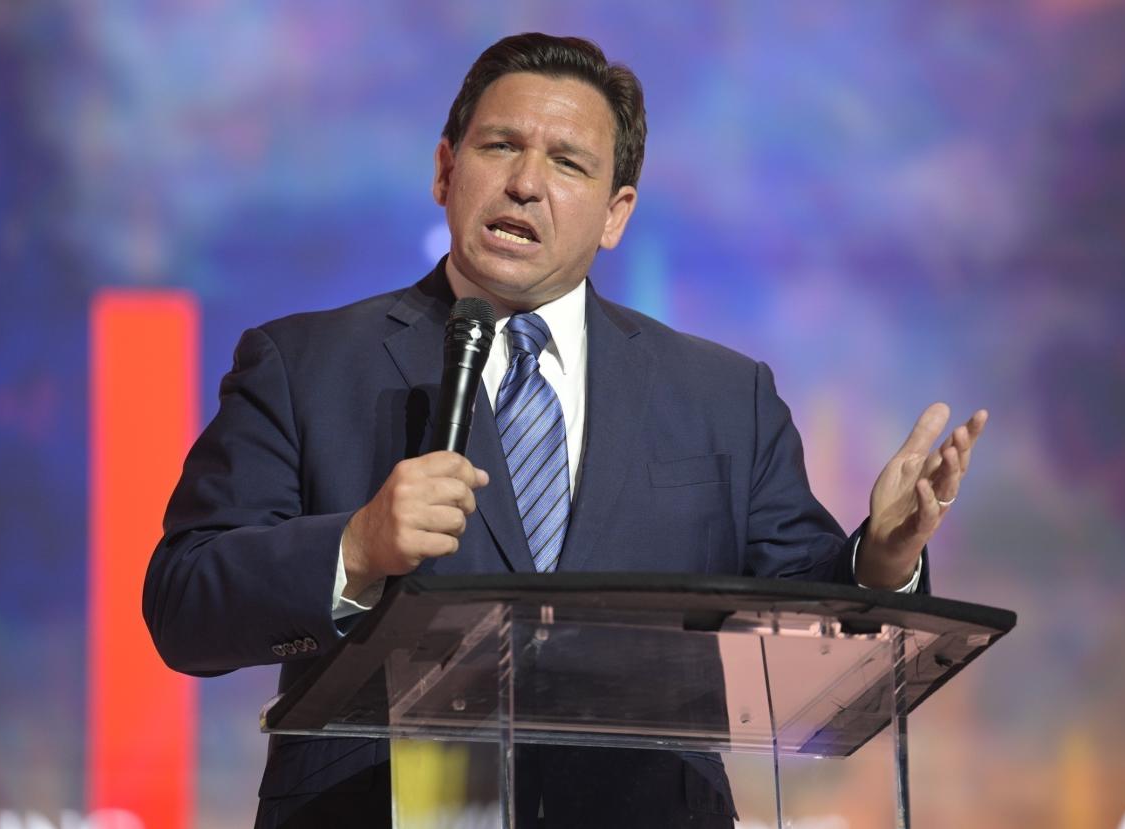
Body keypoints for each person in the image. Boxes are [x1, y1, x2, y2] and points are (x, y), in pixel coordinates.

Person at [144, 32, 987, 829]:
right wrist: (356, 549)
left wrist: (881, 559)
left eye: (568, 163)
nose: (525, 183)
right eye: (500, 147)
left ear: (615, 213)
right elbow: (183, 606)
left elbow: (809, 615)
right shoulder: (304, 363)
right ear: (445, 169)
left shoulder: (724, 395)